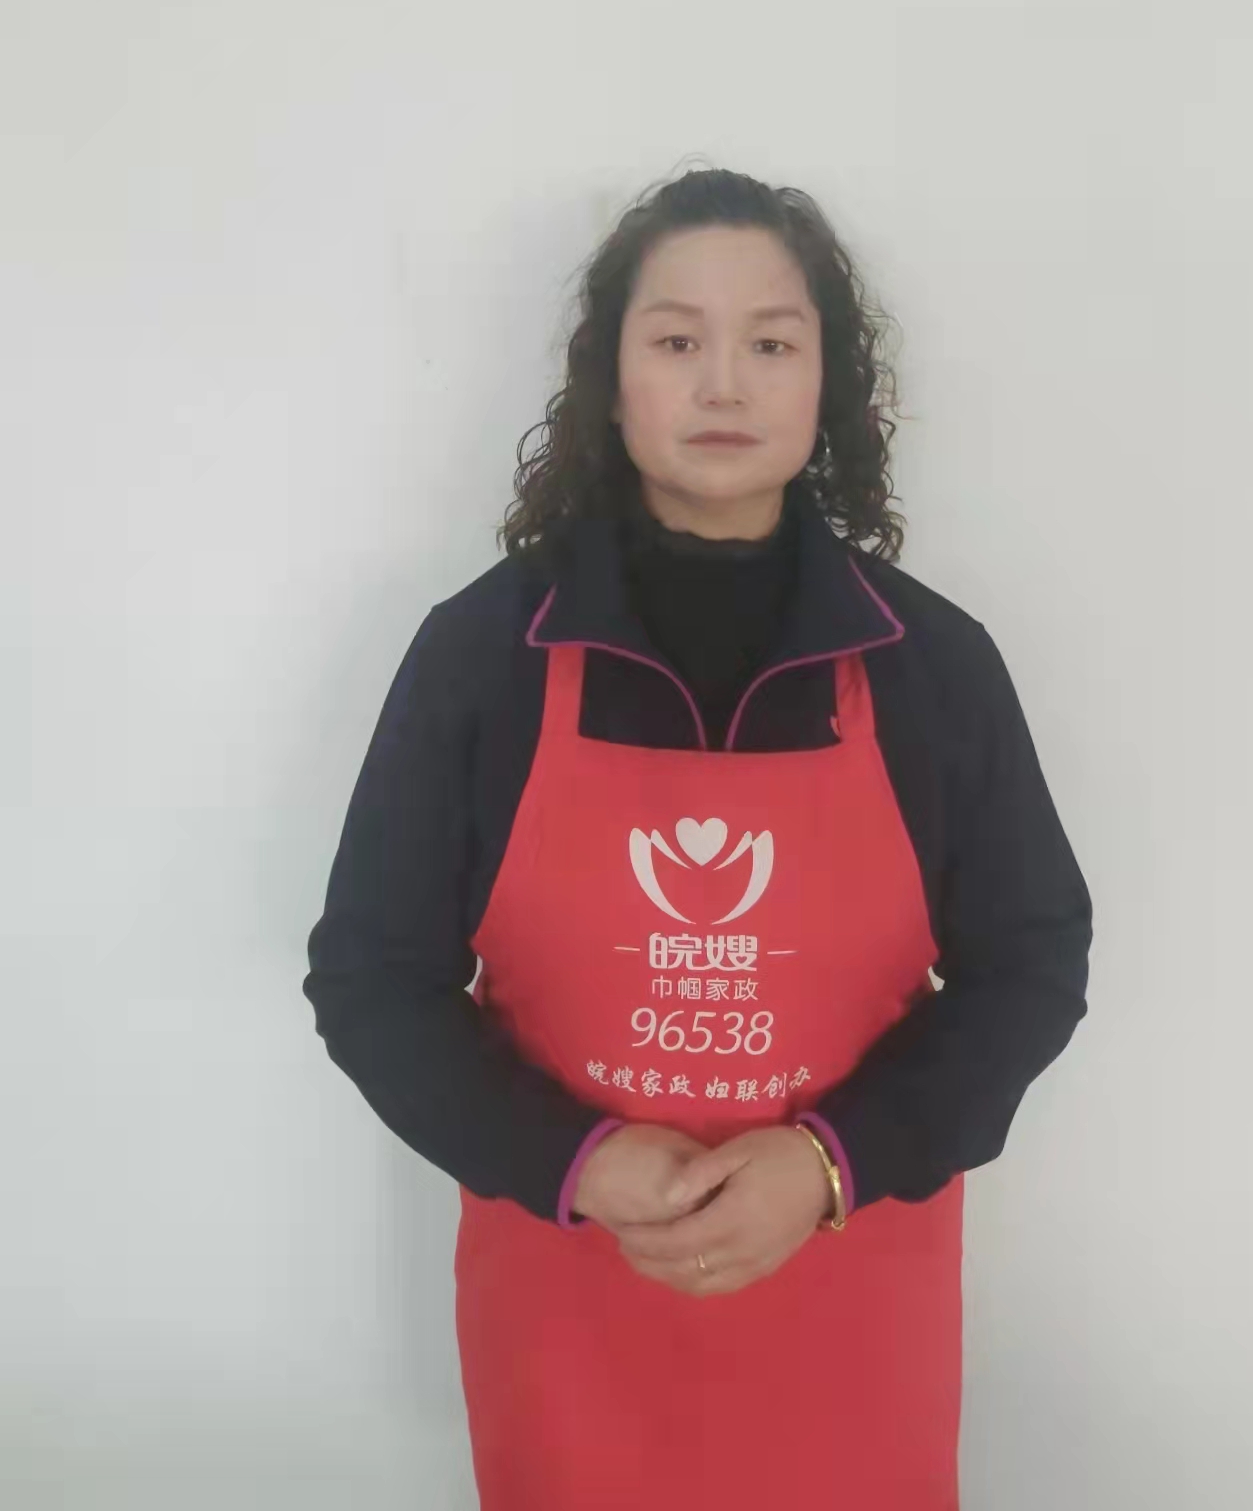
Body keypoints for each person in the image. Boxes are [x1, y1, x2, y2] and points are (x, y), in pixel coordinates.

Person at [303, 166, 1093, 1510]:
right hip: (570, 1314)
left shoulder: (933, 669)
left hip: (850, 1313)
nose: (724, 384)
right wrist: (581, 1161)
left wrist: (829, 1162)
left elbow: (1030, 967)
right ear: (610, 383)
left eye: (771, 345)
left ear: (827, 386)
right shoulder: (484, 658)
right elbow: (374, 978)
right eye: (677, 341)